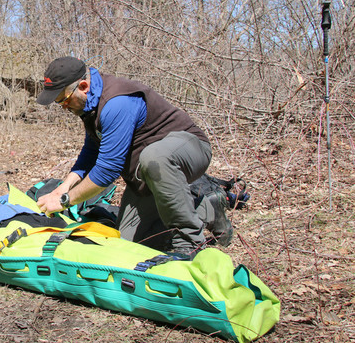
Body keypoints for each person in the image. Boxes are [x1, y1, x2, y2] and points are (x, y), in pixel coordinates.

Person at [35, 56, 232, 258]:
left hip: (189, 148)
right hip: (147, 173)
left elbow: (106, 171)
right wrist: (62, 188)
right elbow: (91, 152)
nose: (64, 107)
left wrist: (65, 201)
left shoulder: (116, 102)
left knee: (155, 157)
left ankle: (190, 242)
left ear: (83, 86)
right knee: (129, 243)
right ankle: (208, 210)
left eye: (64, 100)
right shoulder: (90, 105)